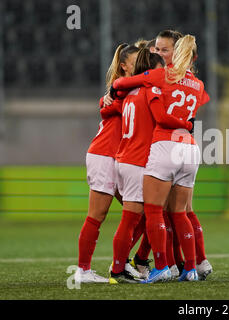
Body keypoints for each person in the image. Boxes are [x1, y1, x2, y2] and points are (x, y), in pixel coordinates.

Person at [112, 34, 210, 282]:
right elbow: (197, 105)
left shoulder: (160, 76)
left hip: (165, 145)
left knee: (154, 211)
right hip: (189, 147)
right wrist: (187, 121)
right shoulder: (198, 84)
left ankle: (162, 265)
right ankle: (190, 268)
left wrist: (115, 89)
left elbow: (126, 83)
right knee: (181, 212)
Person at [74, 43, 139, 283]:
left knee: (139, 212)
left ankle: (121, 263)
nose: (140, 66)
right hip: (104, 155)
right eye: (135, 62)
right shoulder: (120, 89)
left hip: (122, 158)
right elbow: (106, 105)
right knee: (97, 214)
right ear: (124, 66)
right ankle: (82, 271)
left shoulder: (130, 88)